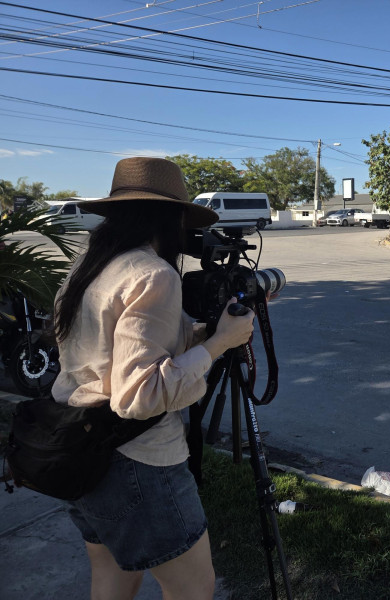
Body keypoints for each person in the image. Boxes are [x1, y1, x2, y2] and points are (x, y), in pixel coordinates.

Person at [51, 157, 257, 600]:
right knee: (194, 588)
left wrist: (207, 333)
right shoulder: (153, 274)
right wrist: (219, 345)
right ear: (171, 218)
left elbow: (113, 351)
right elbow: (138, 396)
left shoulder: (87, 266)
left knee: (111, 575)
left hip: (80, 449)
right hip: (137, 461)